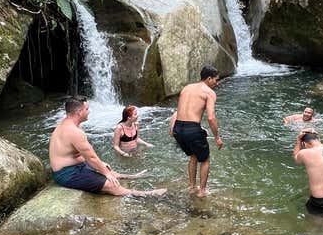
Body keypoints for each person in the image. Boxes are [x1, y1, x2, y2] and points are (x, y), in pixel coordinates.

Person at [49, 96, 166, 197]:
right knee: (111, 184)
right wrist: (105, 173)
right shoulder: (74, 131)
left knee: (106, 168)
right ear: (79, 112)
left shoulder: (67, 124)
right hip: (66, 174)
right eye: (87, 109)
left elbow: (86, 155)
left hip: (74, 166)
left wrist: (103, 167)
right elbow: (91, 158)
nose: (89, 111)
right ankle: (146, 194)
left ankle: (131, 176)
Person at [170, 65, 223, 197]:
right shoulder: (209, 93)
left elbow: (178, 111)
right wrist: (217, 137)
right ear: (209, 78)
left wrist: (172, 129)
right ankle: (202, 191)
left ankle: (193, 187)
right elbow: (211, 118)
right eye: (216, 80)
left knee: (193, 156)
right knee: (205, 159)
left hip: (178, 128)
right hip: (192, 129)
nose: (217, 83)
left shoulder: (186, 88)